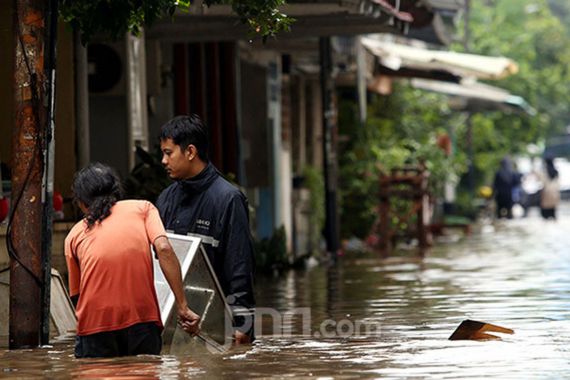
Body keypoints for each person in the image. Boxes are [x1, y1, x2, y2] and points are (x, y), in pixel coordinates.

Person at [65, 163, 200, 358]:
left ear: (81, 202)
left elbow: (77, 296)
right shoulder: (143, 208)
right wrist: (182, 306)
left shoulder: (74, 235)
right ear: (116, 191)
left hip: (96, 327)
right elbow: (164, 248)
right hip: (142, 320)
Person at [156, 115, 255, 345]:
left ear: (190, 152)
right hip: (174, 321)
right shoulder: (166, 199)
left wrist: (243, 326)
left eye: (168, 153)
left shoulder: (228, 199)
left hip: (217, 326)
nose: (163, 160)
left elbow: (240, 266)